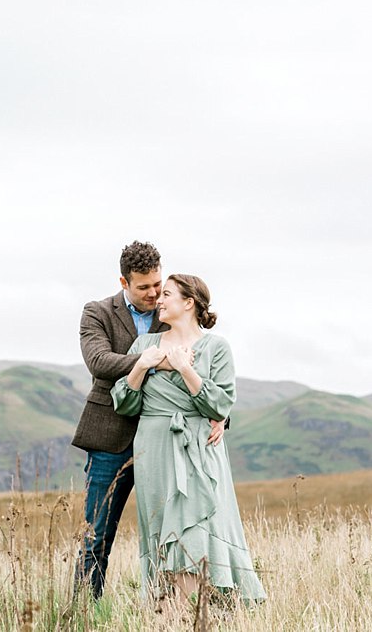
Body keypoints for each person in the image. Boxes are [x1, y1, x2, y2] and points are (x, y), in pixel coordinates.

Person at [72, 242, 225, 600]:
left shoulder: (171, 306)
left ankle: (179, 610)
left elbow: (203, 360)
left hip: (170, 442)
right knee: (97, 533)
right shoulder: (96, 313)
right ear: (123, 281)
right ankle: (82, 611)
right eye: (143, 287)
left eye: (157, 284)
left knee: (182, 528)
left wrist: (221, 413)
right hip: (112, 437)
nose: (153, 293)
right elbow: (100, 362)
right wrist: (153, 359)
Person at [111, 273, 266, 604]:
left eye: (167, 294)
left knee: (193, 528)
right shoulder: (145, 345)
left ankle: (189, 614)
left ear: (188, 303)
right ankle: (167, 614)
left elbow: (221, 403)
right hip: (152, 448)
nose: (159, 300)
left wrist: (185, 368)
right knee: (160, 531)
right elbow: (124, 403)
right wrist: (142, 367)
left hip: (197, 448)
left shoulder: (216, 347)